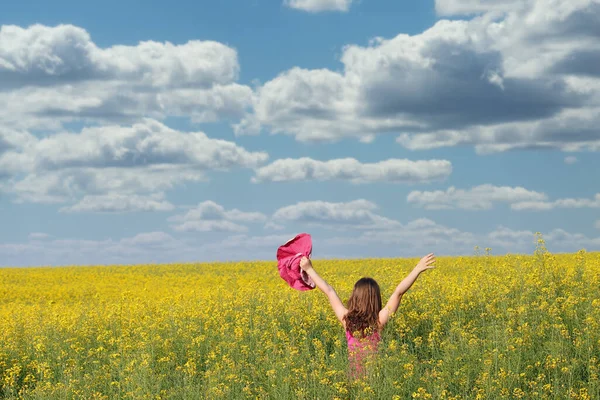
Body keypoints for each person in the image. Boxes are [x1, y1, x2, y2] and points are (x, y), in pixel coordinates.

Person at [299, 253, 436, 378]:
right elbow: (398, 292)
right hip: (374, 380)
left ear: (355, 297)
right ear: (375, 298)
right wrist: (417, 269)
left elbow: (329, 291)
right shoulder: (378, 321)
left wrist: (309, 269)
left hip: (352, 378)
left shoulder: (347, 320)